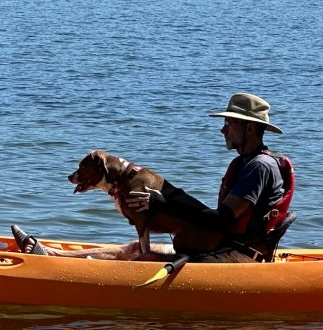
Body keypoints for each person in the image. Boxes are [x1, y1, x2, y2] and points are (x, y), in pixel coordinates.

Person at [22, 92, 290, 262]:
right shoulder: (244, 163)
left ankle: (63, 273)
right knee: (132, 249)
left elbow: (222, 220)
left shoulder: (259, 168)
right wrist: (165, 201)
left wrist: (163, 202)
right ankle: (53, 257)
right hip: (220, 245)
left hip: (237, 255)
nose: (223, 130)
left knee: (144, 260)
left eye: (230, 123)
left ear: (251, 128)